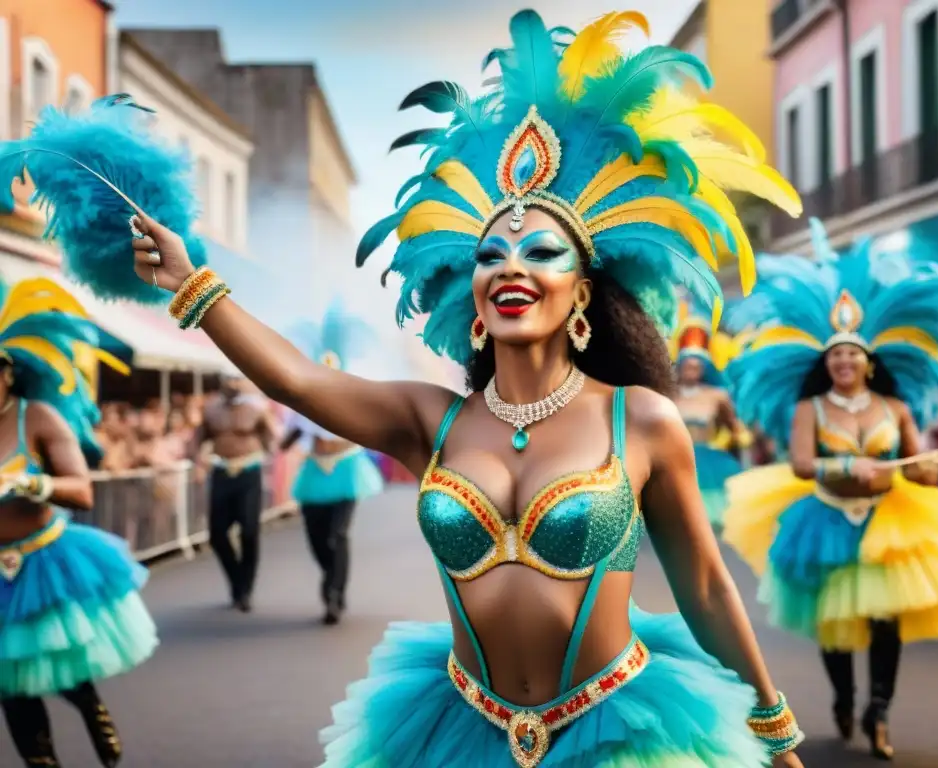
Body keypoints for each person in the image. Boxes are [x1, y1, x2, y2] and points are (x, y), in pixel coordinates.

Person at [15, 11, 807, 765]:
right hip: (462, 731)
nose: (511, 267)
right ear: (474, 297)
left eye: (541, 253)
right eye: (491, 255)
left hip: (624, 732)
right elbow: (296, 379)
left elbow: (705, 586)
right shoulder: (432, 419)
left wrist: (773, 732)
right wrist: (193, 282)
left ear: (584, 294)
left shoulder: (641, 420)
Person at [721, 220, 938, 760]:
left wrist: (926, 469)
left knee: (885, 622)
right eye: (836, 355)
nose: (845, 362)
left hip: (889, 519)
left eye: (853, 355)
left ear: (869, 362)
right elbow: (801, 465)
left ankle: (879, 710)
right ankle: (843, 697)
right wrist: (843, 466)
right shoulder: (810, 408)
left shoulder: (895, 407)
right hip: (826, 520)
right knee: (833, 620)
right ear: (826, 363)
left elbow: (918, 462)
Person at [0, 277, 157, 767]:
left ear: (7, 373)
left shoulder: (38, 418)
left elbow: (82, 491)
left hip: (44, 562)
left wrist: (33, 484)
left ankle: (91, 708)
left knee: (60, 668)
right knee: (11, 688)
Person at [279, 298, 384, 624]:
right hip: (314, 471)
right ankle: (330, 574)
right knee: (315, 536)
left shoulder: (353, 397)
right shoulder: (303, 399)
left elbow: (370, 429)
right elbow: (292, 434)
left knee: (337, 534)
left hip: (346, 469)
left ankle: (334, 594)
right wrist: (278, 444)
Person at [192, 374, 276, 612]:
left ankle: (245, 589)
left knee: (249, 530)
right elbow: (198, 438)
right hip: (221, 471)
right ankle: (236, 580)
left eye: (237, 380)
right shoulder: (211, 410)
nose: (233, 385)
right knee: (217, 533)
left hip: (249, 471)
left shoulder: (256, 409)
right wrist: (197, 461)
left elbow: (270, 437)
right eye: (229, 380)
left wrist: (268, 456)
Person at [668, 302, 747, 528]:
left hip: (710, 464)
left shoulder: (717, 396)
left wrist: (735, 442)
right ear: (679, 366)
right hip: (675, 463)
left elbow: (735, 430)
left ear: (705, 368)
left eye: (697, 366)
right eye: (687, 365)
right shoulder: (667, 395)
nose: (691, 370)